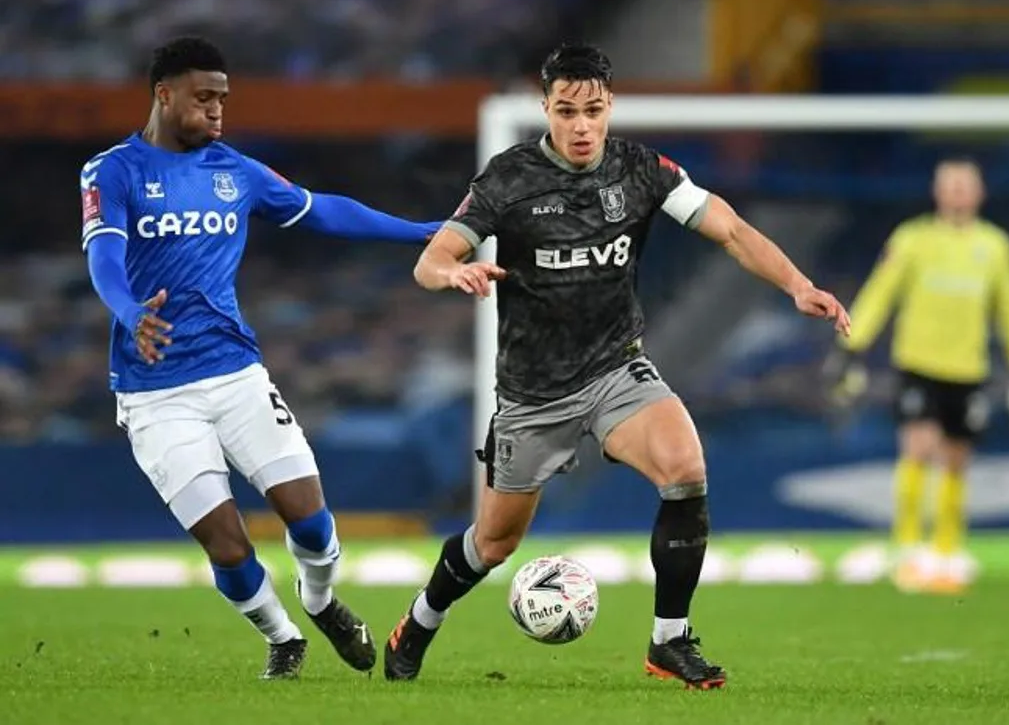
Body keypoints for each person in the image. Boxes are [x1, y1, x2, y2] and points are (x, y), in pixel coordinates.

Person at [383, 43, 850, 689]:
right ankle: (420, 621)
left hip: (615, 371)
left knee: (685, 470)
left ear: (610, 108)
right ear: (546, 107)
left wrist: (797, 285)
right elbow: (430, 258)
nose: (581, 125)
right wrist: (453, 270)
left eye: (593, 111)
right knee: (493, 544)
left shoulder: (641, 170)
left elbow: (733, 230)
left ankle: (669, 643)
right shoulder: (507, 179)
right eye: (567, 110)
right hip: (532, 392)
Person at [81, 36, 441, 679]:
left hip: (237, 374)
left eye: (223, 98)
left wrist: (420, 231)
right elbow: (104, 256)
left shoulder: (235, 172)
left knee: (311, 521)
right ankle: (282, 638)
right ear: (164, 95)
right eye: (204, 98)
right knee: (225, 540)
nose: (218, 110)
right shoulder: (113, 171)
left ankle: (320, 599)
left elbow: (323, 210)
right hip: (155, 391)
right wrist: (132, 312)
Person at [826, 157, 1009, 594]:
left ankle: (947, 549)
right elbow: (881, 293)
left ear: (979, 193)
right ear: (937, 192)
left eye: (965, 185)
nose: (958, 192)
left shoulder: (995, 245)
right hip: (918, 362)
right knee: (918, 446)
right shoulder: (913, 239)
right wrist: (853, 345)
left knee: (956, 458)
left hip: (967, 367)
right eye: (951, 185)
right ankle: (908, 547)